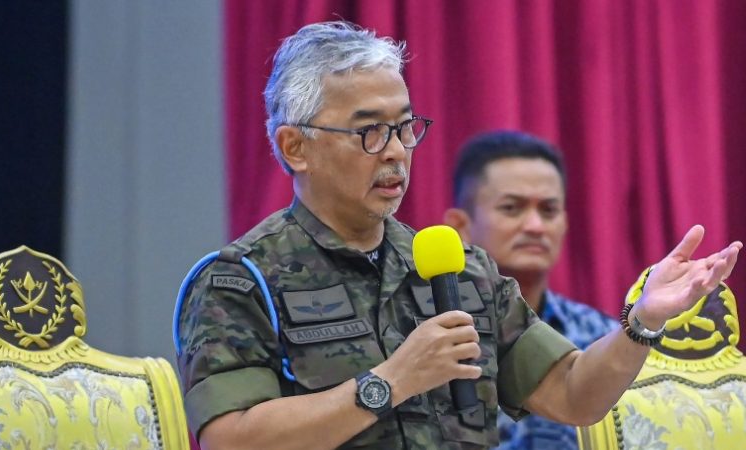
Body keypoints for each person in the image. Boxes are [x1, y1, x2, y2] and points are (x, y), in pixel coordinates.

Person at [175, 21, 741, 450]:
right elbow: (230, 438)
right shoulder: (239, 280)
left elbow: (573, 394)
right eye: (370, 131)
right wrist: (390, 382)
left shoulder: (461, 268)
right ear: (295, 147)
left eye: (404, 127)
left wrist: (642, 321)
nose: (396, 151)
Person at [443, 131, 619, 450]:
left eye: (548, 210)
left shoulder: (604, 337)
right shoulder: (433, 335)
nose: (535, 226)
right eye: (512, 208)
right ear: (460, 226)